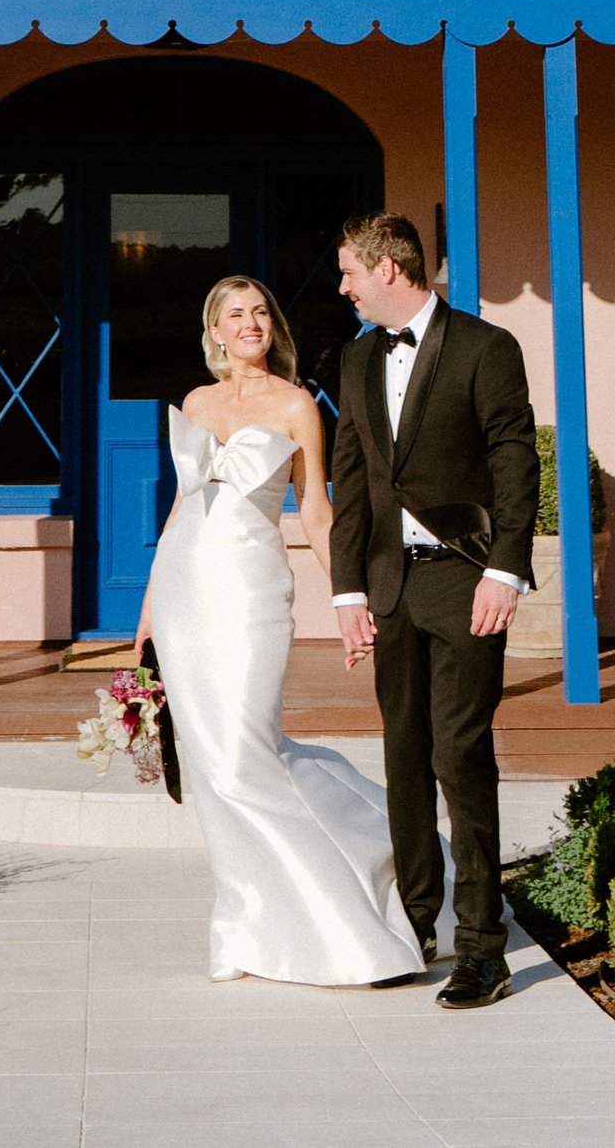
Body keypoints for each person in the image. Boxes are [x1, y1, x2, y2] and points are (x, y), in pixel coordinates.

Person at [141, 270, 425, 986]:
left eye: (260, 312)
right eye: (234, 313)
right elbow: (180, 508)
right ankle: (243, 920)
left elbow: (316, 513)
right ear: (213, 331)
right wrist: (147, 609)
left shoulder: (298, 405)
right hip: (184, 587)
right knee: (210, 763)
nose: (250, 323)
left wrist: (348, 598)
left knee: (246, 750)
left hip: (251, 590)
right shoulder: (197, 402)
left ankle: (364, 890)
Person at [331, 211, 540, 1012]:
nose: (342, 286)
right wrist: (349, 592)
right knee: (403, 758)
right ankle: (418, 925)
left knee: (460, 755)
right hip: (388, 589)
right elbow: (351, 482)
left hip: (465, 580)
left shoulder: (487, 349)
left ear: (389, 269)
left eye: (350, 270)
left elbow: (514, 464)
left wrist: (506, 571)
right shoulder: (353, 360)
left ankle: (484, 947)